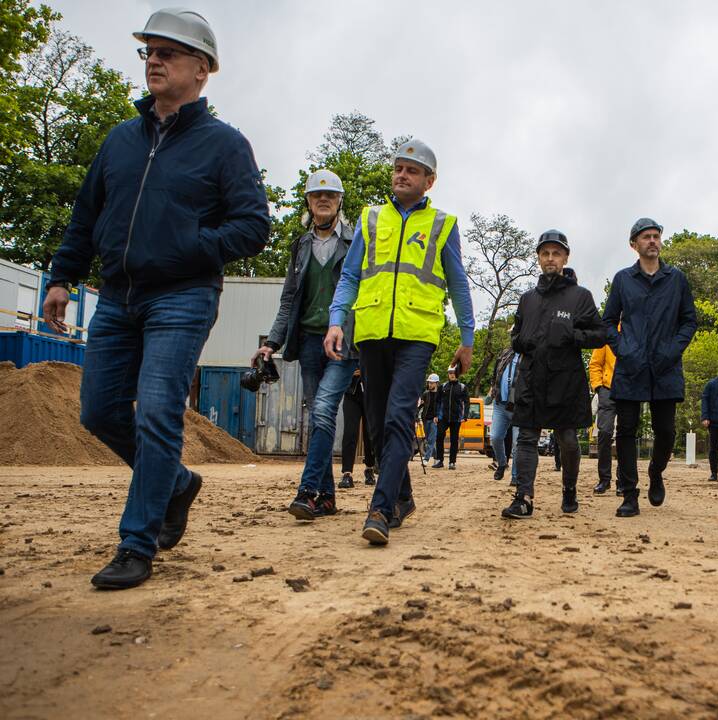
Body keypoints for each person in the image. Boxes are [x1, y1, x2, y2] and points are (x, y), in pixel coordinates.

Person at [42, 8, 270, 589]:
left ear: (203, 69)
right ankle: (176, 484)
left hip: (184, 295)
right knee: (97, 411)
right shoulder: (120, 140)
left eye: (169, 52)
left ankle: (136, 543)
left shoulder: (224, 145)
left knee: (159, 410)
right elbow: (85, 215)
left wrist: (191, 244)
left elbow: (252, 226)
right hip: (118, 297)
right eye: (149, 51)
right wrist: (62, 277)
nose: (155, 60)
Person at [326, 139, 474, 546]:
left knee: (396, 418)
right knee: (376, 424)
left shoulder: (443, 224)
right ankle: (404, 497)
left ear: (429, 181)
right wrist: (337, 320)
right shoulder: (371, 218)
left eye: (412, 170)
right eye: (398, 168)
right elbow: (350, 275)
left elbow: (458, 283)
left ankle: (380, 509)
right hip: (372, 330)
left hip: (417, 335)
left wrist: (467, 337)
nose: (402, 175)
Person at [254, 169, 357, 520]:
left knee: (324, 410)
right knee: (319, 416)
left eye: (329, 195)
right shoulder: (300, 246)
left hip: (344, 342)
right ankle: (327, 497)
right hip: (310, 342)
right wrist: (272, 342)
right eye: (317, 195)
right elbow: (288, 301)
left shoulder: (356, 241)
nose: (323, 200)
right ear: (309, 202)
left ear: (339, 201)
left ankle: (307, 491)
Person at [501, 230, 606, 519]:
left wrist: (572, 334)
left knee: (569, 441)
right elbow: (517, 334)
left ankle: (569, 489)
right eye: (545, 253)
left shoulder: (580, 296)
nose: (550, 258)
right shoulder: (527, 299)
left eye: (556, 253)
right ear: (538, 257)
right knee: (526, 438)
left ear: (565, 258)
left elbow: (600, 334)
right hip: (531, 378)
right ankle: (523, 498)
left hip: (566, 381)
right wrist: (519, 342)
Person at [602, 218, 697, 518]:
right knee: (626, 431)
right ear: (634, 244)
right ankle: (630, 494)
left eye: (656, 236)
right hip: (630, 367)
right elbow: (607, 322)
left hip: (665, 367)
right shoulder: (622, 280)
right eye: (646, 237)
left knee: (666, 431)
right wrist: (624, 350)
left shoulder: (676, 278)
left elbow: (689, 321)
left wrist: (673, 349)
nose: (653, 241)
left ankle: (656, 472)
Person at [588, 342, 618, 493]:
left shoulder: (636, 328)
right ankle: (604, 479)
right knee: (604, 433)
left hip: (630, 389)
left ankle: (624, 481)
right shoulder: (607, 334)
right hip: (607, 390)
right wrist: (599, 387)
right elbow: (595, 364)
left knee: (627, 435)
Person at [340, 367, 377, 487]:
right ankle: (347, 473)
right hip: (351, 393)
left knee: (369, 434)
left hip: (371, 394)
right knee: (350, 433)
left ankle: (369, 469)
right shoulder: (350, 348)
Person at [489, 347, 521, 481]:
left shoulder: (530, 354)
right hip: (500, 404)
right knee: (495, 437)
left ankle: (515, 476)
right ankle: (502, 464)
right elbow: (495, 372)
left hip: (518, 407)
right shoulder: (505, 352)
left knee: (517, 444)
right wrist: (492, 389)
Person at [433, 367, 467, 469]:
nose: (452, 374)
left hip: (456, 418)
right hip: (443, 417)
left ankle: (452, 462)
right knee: (439, 436)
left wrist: (465, 416)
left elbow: (467, 402)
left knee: (454, 440)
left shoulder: (462, 387)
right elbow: (437, 401)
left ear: (458, 374)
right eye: (450, 373)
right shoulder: (443, 386)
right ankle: (439, 460)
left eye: (454, 373)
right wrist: (435, 415)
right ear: (448, 374)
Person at [419, 374, 441, 463]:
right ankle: (436, 457)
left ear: (436, 383)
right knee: (428, 441)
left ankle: (426, 459)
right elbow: (420, 405)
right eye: (429, 383)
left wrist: (438, 416)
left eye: (432, 383)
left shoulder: (440, 395)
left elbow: (442, 408)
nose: (430, 385)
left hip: (434, 420)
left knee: (431, 440)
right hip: (425, 419)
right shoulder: (425, 394)